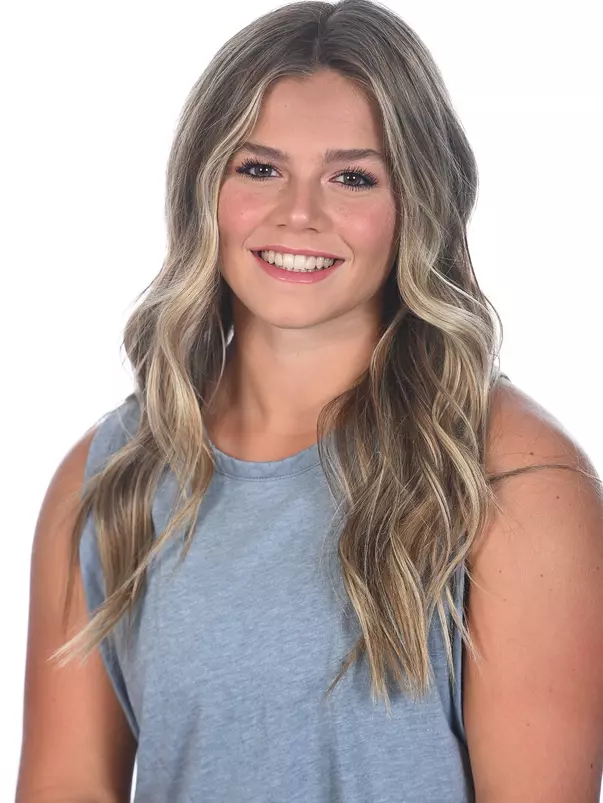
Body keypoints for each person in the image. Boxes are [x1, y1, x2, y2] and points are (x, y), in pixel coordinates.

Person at [16, 1, 603, 801]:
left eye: (351, 177)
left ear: (416, 205)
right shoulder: (107, 479)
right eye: (258, 169)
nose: (299, 213)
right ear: (203, 190)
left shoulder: (512, 479)